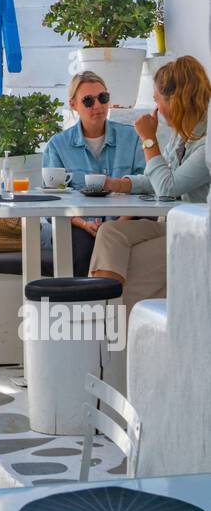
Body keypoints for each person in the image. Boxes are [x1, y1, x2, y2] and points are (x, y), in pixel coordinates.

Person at [89, 56, 211, 376]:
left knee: (135, 265)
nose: (154, 104)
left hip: (192, 236)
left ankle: (115, 359)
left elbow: (168, 188)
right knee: (111, 233)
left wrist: (149, 140)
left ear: (176, 98)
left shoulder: (206, 142)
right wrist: (120, 184)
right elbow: (160, 179)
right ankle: (99, 322)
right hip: (170, 223)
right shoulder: (185, 135)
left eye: (158, 97)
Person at [43, 72, 145, 275]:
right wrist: (83, 223)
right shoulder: (58, 145)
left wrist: (117, 224)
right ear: (73, 104)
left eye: (103, 98)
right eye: (88, 101)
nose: (97, 105)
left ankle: (122, 304)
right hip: (79, 225)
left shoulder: (131, 137)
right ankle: (85, 304)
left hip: (125, 220)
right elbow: (51, 201)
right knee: (81, 249)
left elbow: (146, 186)